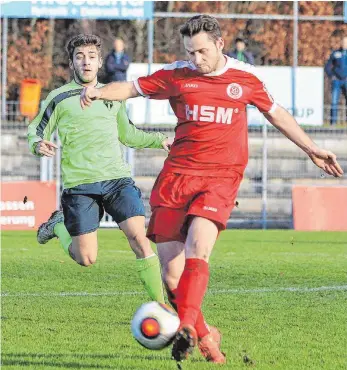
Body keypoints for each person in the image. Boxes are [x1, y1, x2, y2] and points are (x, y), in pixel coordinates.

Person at [80, 15, 344, 364]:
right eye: (191, 52)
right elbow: (129, 88)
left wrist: (311, 148)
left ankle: (186, 327)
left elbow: (276, 113)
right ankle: (206, 339)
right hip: (177, 177)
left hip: (220, 178)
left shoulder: (244, 78)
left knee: (198, 249)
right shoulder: (178, 74)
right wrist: (97, 91)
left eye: (202, 51)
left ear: (220, 44)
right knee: (172, 278)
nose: (196, 59)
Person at [27, 34, 170, 306]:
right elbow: (36, 129)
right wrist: (37, 144)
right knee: (86, 258)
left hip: (117, 180)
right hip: (80, 186)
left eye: (91, 56)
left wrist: (159, 140)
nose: (86, 62)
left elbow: (128, 134)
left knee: (140, 238)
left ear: (100, 62)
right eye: (80, 57)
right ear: (72, 63)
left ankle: (161, 307)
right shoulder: (59, 97)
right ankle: (58, 225)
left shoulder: (111, 95)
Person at [325, 35, 347, 125]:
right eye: (343, 42)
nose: (345, 44)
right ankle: (333, 123)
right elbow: (328, 66)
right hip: (337, 80)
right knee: (334, 101)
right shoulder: (335, 53)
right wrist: (332, 76)